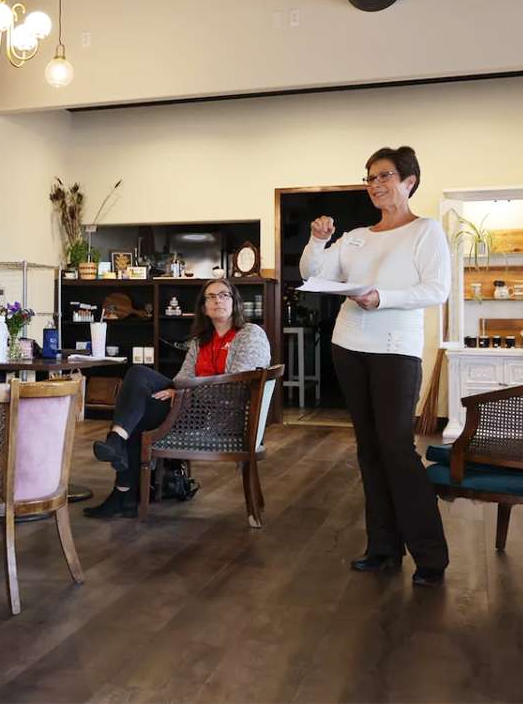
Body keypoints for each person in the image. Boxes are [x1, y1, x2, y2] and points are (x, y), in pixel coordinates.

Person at [300, 145, 450, 588]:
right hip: (348, 346)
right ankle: (383, 548)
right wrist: (317, 240)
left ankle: (431, 556)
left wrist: (383, 297)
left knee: (397, 449)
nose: (375, 184)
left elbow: (436, 289)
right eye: (370, 177)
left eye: (385, 175)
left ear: (409, 181)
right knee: (368, 450)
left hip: (395, 349)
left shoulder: (426, 231)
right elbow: (313, 272)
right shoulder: (356, 236)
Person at [86, 278, 271, 518]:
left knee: (140, 412)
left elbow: (238, 385)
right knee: (138, 376)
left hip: (217, 416)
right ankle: (117, 444)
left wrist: (184, 390)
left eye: (224, 295)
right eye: (211, 297)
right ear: (204, 307)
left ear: (235, 302)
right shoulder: (200, 340)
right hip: (190, 406)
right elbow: (182, 376)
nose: (218, 300)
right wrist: (179, 389)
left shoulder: (250, 334)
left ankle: (123, 491)